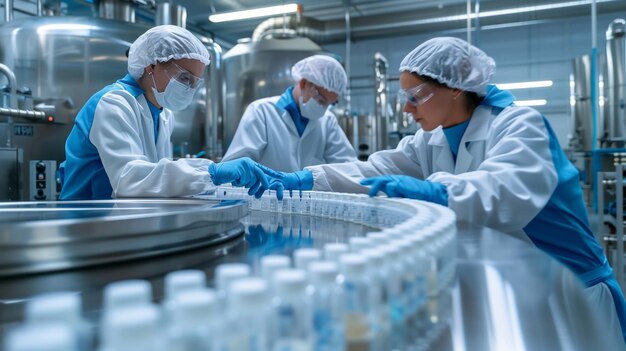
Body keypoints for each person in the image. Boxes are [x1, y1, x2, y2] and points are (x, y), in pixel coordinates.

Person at [259, 37, 626, 344]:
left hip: (574, 290)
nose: (406, 108)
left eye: (415, 96)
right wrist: (304, 179)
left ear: (454, 87)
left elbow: (501, 191)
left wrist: (433, 193)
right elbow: (376, 168)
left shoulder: (519, 125)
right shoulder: (429, 139)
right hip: (522, 285)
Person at [60, 25, 267, 200]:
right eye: (185, 78)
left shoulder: (163, 114)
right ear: (152, 66)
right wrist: (211, 172)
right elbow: (129, 179)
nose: (189, 88)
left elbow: (156, 179)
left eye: (195, 82)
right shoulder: (114, 103)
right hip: (88, 220)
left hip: (122, 221)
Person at [221, 54, 356, 172]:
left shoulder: (327, 121)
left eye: (330, 104)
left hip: (310, 200)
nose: (324, 109)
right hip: (265, 199)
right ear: (303, 83)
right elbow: (236, 167)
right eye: (321, 100)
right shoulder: (262, 111)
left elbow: (347, 167)